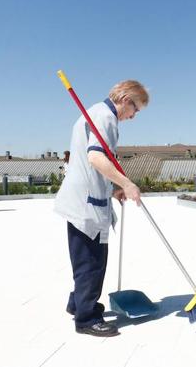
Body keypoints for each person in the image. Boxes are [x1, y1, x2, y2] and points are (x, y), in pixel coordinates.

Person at [54, 80, 148, 337]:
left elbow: (92, 158)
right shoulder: (106, 117)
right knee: (92, 262)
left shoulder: (96, 112)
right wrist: (127, 184)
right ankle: (86, 319)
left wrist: (114, 187)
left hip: (82, 198)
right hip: (86, 203)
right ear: (126, 99)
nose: (134, 116)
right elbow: (96, 157)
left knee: (84, 257)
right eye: (135, 109)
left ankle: (78, 303)